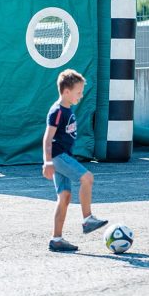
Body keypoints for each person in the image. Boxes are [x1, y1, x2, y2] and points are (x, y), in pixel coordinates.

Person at [42, 69, 108, 252]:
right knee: (87, 177)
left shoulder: (67, 109)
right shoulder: (57, 111)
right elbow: (47, 139)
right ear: (66, 91)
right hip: (58, 156)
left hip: (64, 156)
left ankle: (56, 239)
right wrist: (47, 162)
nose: (81, 95)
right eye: (78, 92)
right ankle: (87, 219)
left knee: (64, 197)